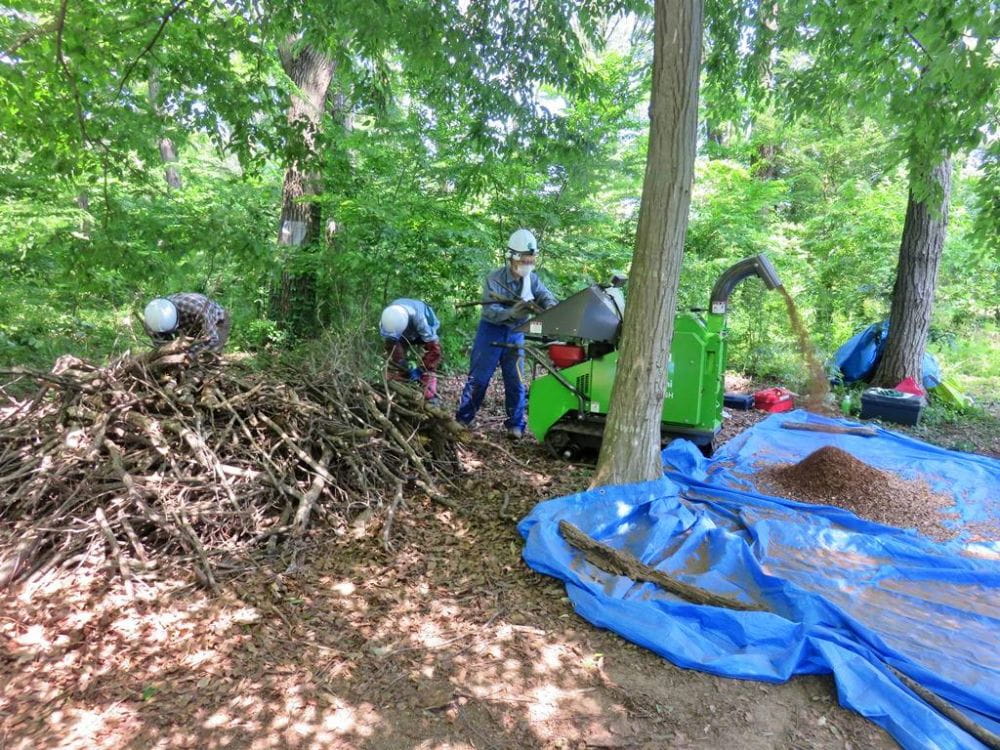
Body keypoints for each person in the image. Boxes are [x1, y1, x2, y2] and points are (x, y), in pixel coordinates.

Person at [455, 229, 558, 439]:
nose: (527, 264)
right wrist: (511, 313)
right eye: (524, 260)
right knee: (479, 379)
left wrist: (549, 308)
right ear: (512, 257)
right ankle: (463, 419)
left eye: (531, 260)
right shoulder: (495, 279)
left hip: (515, 333)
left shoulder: (532, 280)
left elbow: (545, 296)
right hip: (490, 332)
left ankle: (515, 424)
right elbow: (490, 311)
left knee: (516, 381)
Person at [380, 298, 442, 405]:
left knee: (429, 365)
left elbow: (434, 349)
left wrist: (422, 369)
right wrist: (401, 363)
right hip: (401, 334)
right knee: (395, 364)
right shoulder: (388, 318)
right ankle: (396, 392)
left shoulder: (421, 320)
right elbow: (391, 345)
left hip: (421, 332)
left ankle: (430, 396)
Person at [143, 293, 231, 358]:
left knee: (208, 354)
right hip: (189, 326)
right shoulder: (152, 320)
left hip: (218, 321)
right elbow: (162, 345)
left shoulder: (197, 310)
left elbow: (212, 339)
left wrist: (187, 355)